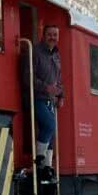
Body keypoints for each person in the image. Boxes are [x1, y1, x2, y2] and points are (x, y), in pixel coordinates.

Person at [26, 25, 64, 168]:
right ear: (43, 35)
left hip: (50, 100)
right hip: (36, 97)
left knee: (49, 132)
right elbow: (27, 76)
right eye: (50, 34)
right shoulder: (35, 52)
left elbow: (59, 78)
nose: (52, 37)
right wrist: (46, 87)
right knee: (50, 125)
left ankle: (47, 167)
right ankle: (39, 160)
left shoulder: (56, 55)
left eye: (55, 35)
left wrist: (61, 96)